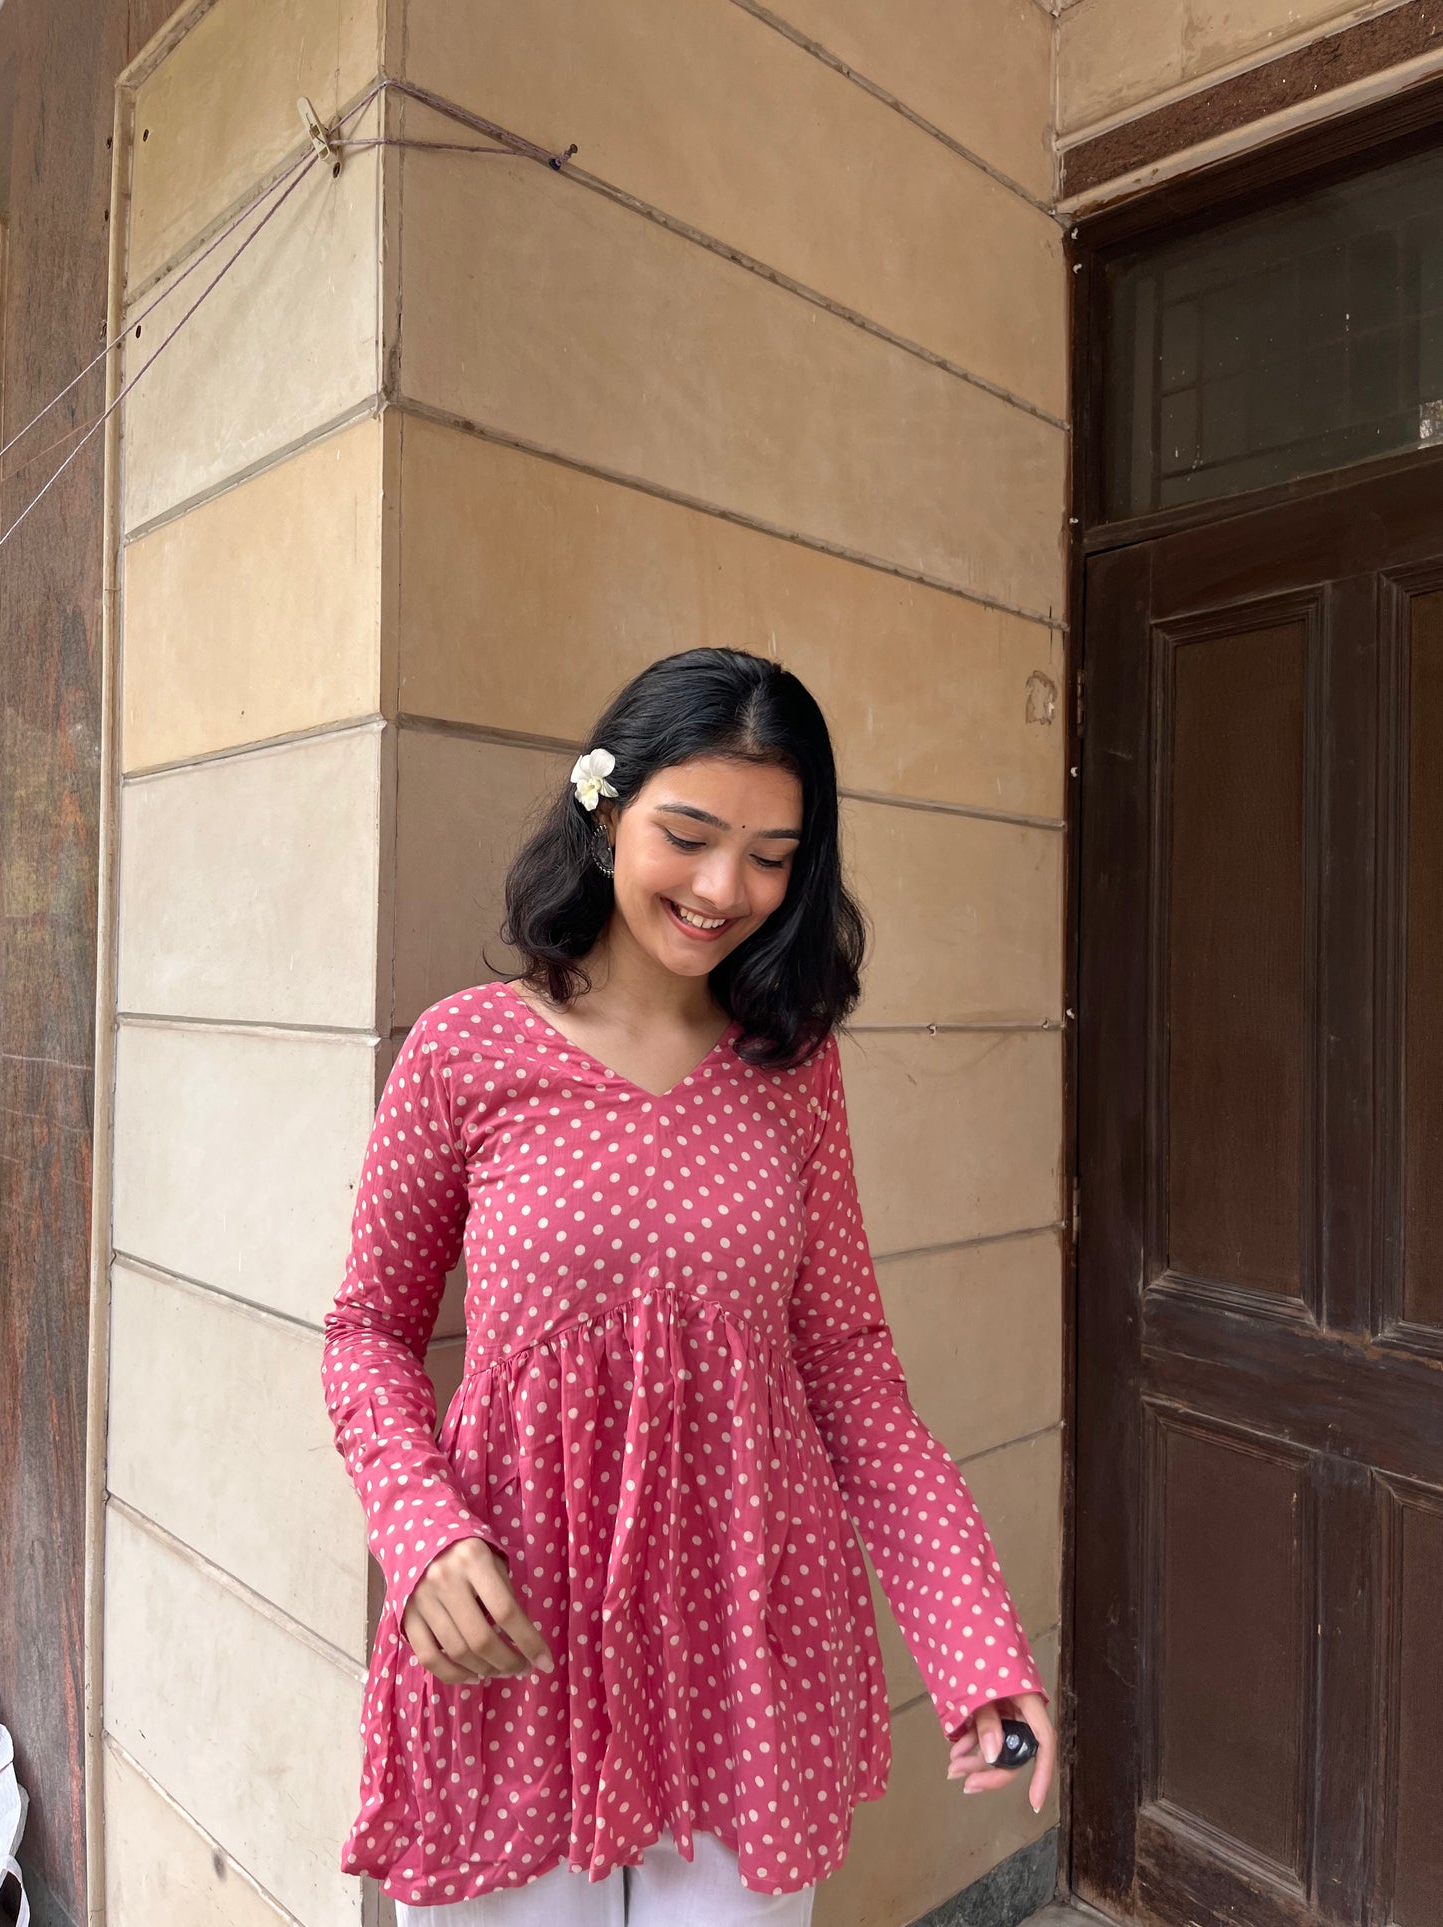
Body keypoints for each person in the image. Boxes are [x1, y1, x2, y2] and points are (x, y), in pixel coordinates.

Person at [320, 647, 1055, 1924]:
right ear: (605, 813)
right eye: (691, 833)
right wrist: (418, 1529)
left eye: (772, 854)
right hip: (512, 1645)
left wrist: (973, 1643)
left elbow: (846, 1368)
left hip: (744, 1653)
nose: (726, 888)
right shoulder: (464, 1051)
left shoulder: (791, 1074)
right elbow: (368, 1332)